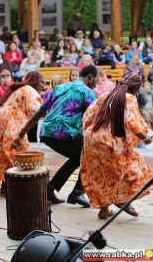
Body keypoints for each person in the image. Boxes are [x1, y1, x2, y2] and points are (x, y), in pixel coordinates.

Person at [12, 65, 99, 207]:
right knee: (91, 154)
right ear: (90, 77)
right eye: (96, 79)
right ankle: (77, 192)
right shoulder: (88, 92)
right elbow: (93, 120)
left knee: (78, 157)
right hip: (64, 132)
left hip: (46, 132)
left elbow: (40, 112)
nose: (97, 83)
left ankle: (49, 190)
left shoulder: (60, 87)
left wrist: (22, 133)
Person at [80, 74, 153, 219]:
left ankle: (104, 209)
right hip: (111, 140)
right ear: (138, 88)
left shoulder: (107, 95)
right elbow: (132, 122)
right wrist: (145, 138)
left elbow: (88, 114)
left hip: (92, 138)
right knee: (133, 167)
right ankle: (123, 200)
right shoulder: (130, 98)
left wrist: (92, 131)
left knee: (101, 175)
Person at [0, 72, 44, 194]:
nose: (42, 86)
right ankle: (20, 187)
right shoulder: (29, 89)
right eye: (41, 82)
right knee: (20, 152)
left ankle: (6, 186)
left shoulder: (18, 88)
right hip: (7, 121)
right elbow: (39, 110)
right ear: (34, 81)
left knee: (2, 154)